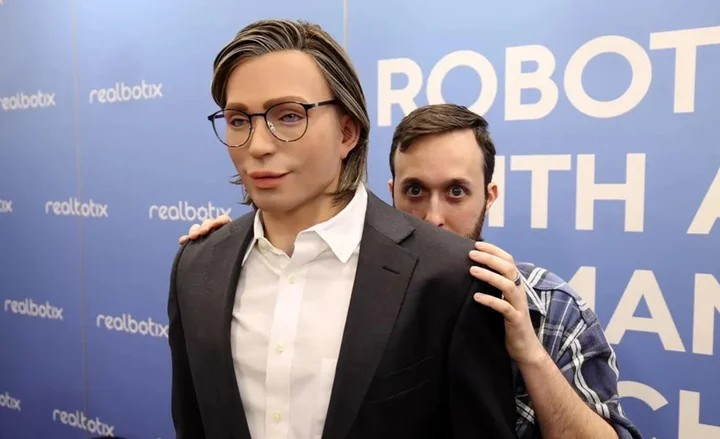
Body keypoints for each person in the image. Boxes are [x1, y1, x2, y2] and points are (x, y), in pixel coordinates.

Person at [184, 104, 641, 439]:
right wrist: (239, 258)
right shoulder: (354, 287)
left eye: (456, 192)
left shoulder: (553, 306)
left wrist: (531, 355)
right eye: (415, 191)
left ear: (490, 196)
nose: (434, 217)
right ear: (392, 193)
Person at [169, 20, 516, 439]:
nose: (257, 145)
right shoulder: (197, 267)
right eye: (239, 120)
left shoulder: (449, 276)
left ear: (347, 132)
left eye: (289, 116)